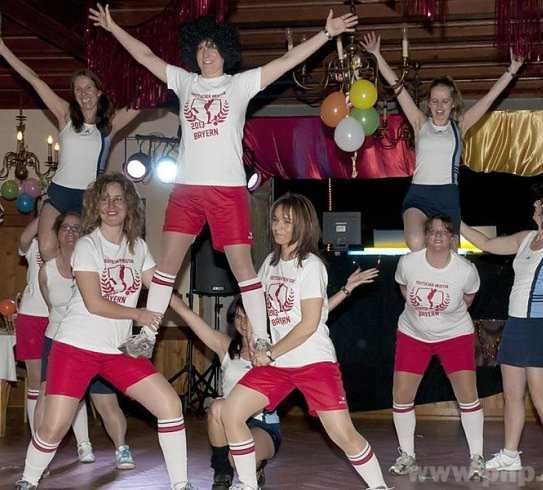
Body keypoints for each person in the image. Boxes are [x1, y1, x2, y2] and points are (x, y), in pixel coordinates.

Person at [88, 4, 358, 352]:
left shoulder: (240, 85)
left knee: (242, 267)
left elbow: (284, 64)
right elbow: (145, 55)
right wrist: (112, 28)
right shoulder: (185, 82)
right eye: (200, 47)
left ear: (225, 52)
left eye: (213, 46)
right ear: (193, 53)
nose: (206, 53)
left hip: (227, 191)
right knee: (166, 264)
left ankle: (260, 337)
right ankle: (147, 336)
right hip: (186, 189)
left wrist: (326, 34)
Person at [15, 173, 195, 490]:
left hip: (118, 351)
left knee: (169, 405)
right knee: (53, 428)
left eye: (118, 199)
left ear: (129, 207)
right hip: (74, 347)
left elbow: (160, 282)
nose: (111, 205)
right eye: (104, 199)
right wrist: (139, 313)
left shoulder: (137, 247)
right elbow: (95, 303)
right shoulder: (87, 245)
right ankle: (28, 480)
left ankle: (181, 484)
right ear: (96, 206)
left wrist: (179, 252)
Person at [220, 193, 389, 490]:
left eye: (287, 221)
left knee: (343, 436)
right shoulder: (269, 264)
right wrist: (261, 343)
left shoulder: (311, 265)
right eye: (275, 220)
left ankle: (379, 487)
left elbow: (310, 323)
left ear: (303, 225)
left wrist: (270, 351)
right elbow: (262, 309)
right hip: (278, 363)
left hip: (313, 363)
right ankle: (246, 484)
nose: (278, 227)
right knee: (230, 412)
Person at [169, 266, 378, 489]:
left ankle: (251, 471)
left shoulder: (274, 348)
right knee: (219, 407)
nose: (242, 321)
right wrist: (167, 296)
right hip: (231, 418)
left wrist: (346, 290)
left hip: (263, 426)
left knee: (239, 456)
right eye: (238, 316)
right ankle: (223, 472)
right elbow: (191, 318)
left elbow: (313, 319)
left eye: (247, 316)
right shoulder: (225, 346)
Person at [0, 34, 140, 261]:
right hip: (59, 191)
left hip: (89, 196)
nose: (84, 94)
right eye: (78, 90)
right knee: (46, 247)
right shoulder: (65, 116)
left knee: (87, 254)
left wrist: (164, 78)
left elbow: (141, 103)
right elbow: (35, 80)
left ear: (99, 92)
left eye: (89, 88)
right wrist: (3, 50)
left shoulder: (109, 126)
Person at [460, 178, 543, 482]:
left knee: (540, 397)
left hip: (541, 325)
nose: (534, 204)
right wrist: (457, 223)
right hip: (515, 324)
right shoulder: (526, 238)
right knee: (512, 395)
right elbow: (486, 244)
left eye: (539, 202)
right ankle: (511, 455)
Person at [361, 32, 524, 251]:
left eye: (445, 101)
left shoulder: (460, 126)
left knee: (451, 256)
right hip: (419, 195)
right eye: (435, 101)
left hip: (447, 197)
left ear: (452, 104)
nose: (439, 106)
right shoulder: (420, 123)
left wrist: (511, 70)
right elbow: (397, 88)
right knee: (417, 242)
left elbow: (488, 100)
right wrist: (376, 55)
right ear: (428, 104)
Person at [35, 211, 135, 469]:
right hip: (58, 342)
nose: (69, 233)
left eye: (76, 228)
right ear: (57, 234)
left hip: (95, 341)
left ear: (84, 233)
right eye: (64, 228)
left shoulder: (97, 261)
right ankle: (39, 456)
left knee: (105, 401)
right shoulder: (46, 271)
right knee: (47, 396)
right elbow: (53, 309)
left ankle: (122, 448)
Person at [391, 215, 484, 479]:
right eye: (432, 231)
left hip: (455, 336)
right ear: (426, 236)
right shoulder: (408, 263)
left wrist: (444, 318)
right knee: (402, 396)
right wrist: (424, 315)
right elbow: (403, 287)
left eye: (444, 232)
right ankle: (407, 455)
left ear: (453, 238)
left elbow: (469, 297)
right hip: (413, 334)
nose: (438, 236)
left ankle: (477, 457)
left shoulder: (465, 270)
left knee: (467, 395)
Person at [15, 215, 49, 437]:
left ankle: (83, 443)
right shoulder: (35, 245)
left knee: (65, 381)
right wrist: (48, 210)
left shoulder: (69, 242)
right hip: (31, 317)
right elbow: (23, 239)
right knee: (36, 380)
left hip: (61, 318)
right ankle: (36, 437)